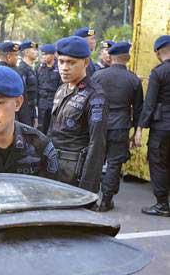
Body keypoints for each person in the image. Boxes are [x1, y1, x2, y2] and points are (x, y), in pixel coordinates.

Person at [48, 36, 107, 193]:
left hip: (74, 173)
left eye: (71, 62)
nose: (64, 67)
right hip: (53, 167)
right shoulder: (62, 89)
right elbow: (51, 131)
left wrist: (88, 188)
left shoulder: (95, 96)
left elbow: (97, 145)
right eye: (61, 61)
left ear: (86, 62)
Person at [91, 42, 143, 212]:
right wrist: (136, 132)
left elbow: (89, 101)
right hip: (120, 126)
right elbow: (138, 109)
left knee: (95, 161)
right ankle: (106, 200)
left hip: (98, 124)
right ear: (127, 58)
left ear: (111, 57)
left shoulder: (97, 76)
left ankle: (91, 197)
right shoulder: (133, 79)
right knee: (114, 163)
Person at [136, 35, 170, 216]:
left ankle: (162, 204)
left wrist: (140, 129)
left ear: (158, 53)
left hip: (162, 127)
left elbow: (149, 103)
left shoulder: (158, 73)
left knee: (158, 163)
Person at [37, 43, 62, 134]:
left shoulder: (59, 68)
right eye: (43, 54)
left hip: (55, 102)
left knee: (55, 128)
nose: (44, 56)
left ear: (53, 54)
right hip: (42, 103)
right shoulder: (39, 68)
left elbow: (62, 86)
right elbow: (37, 86)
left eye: (46, 54)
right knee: (42, 127)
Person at [17, 40, 39, 127]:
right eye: (34, 50)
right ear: (26, 52)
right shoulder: (22, 69)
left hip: (31, 111)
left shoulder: (31, 69)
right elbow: (22, 93)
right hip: (25, 112)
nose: (36, 52)